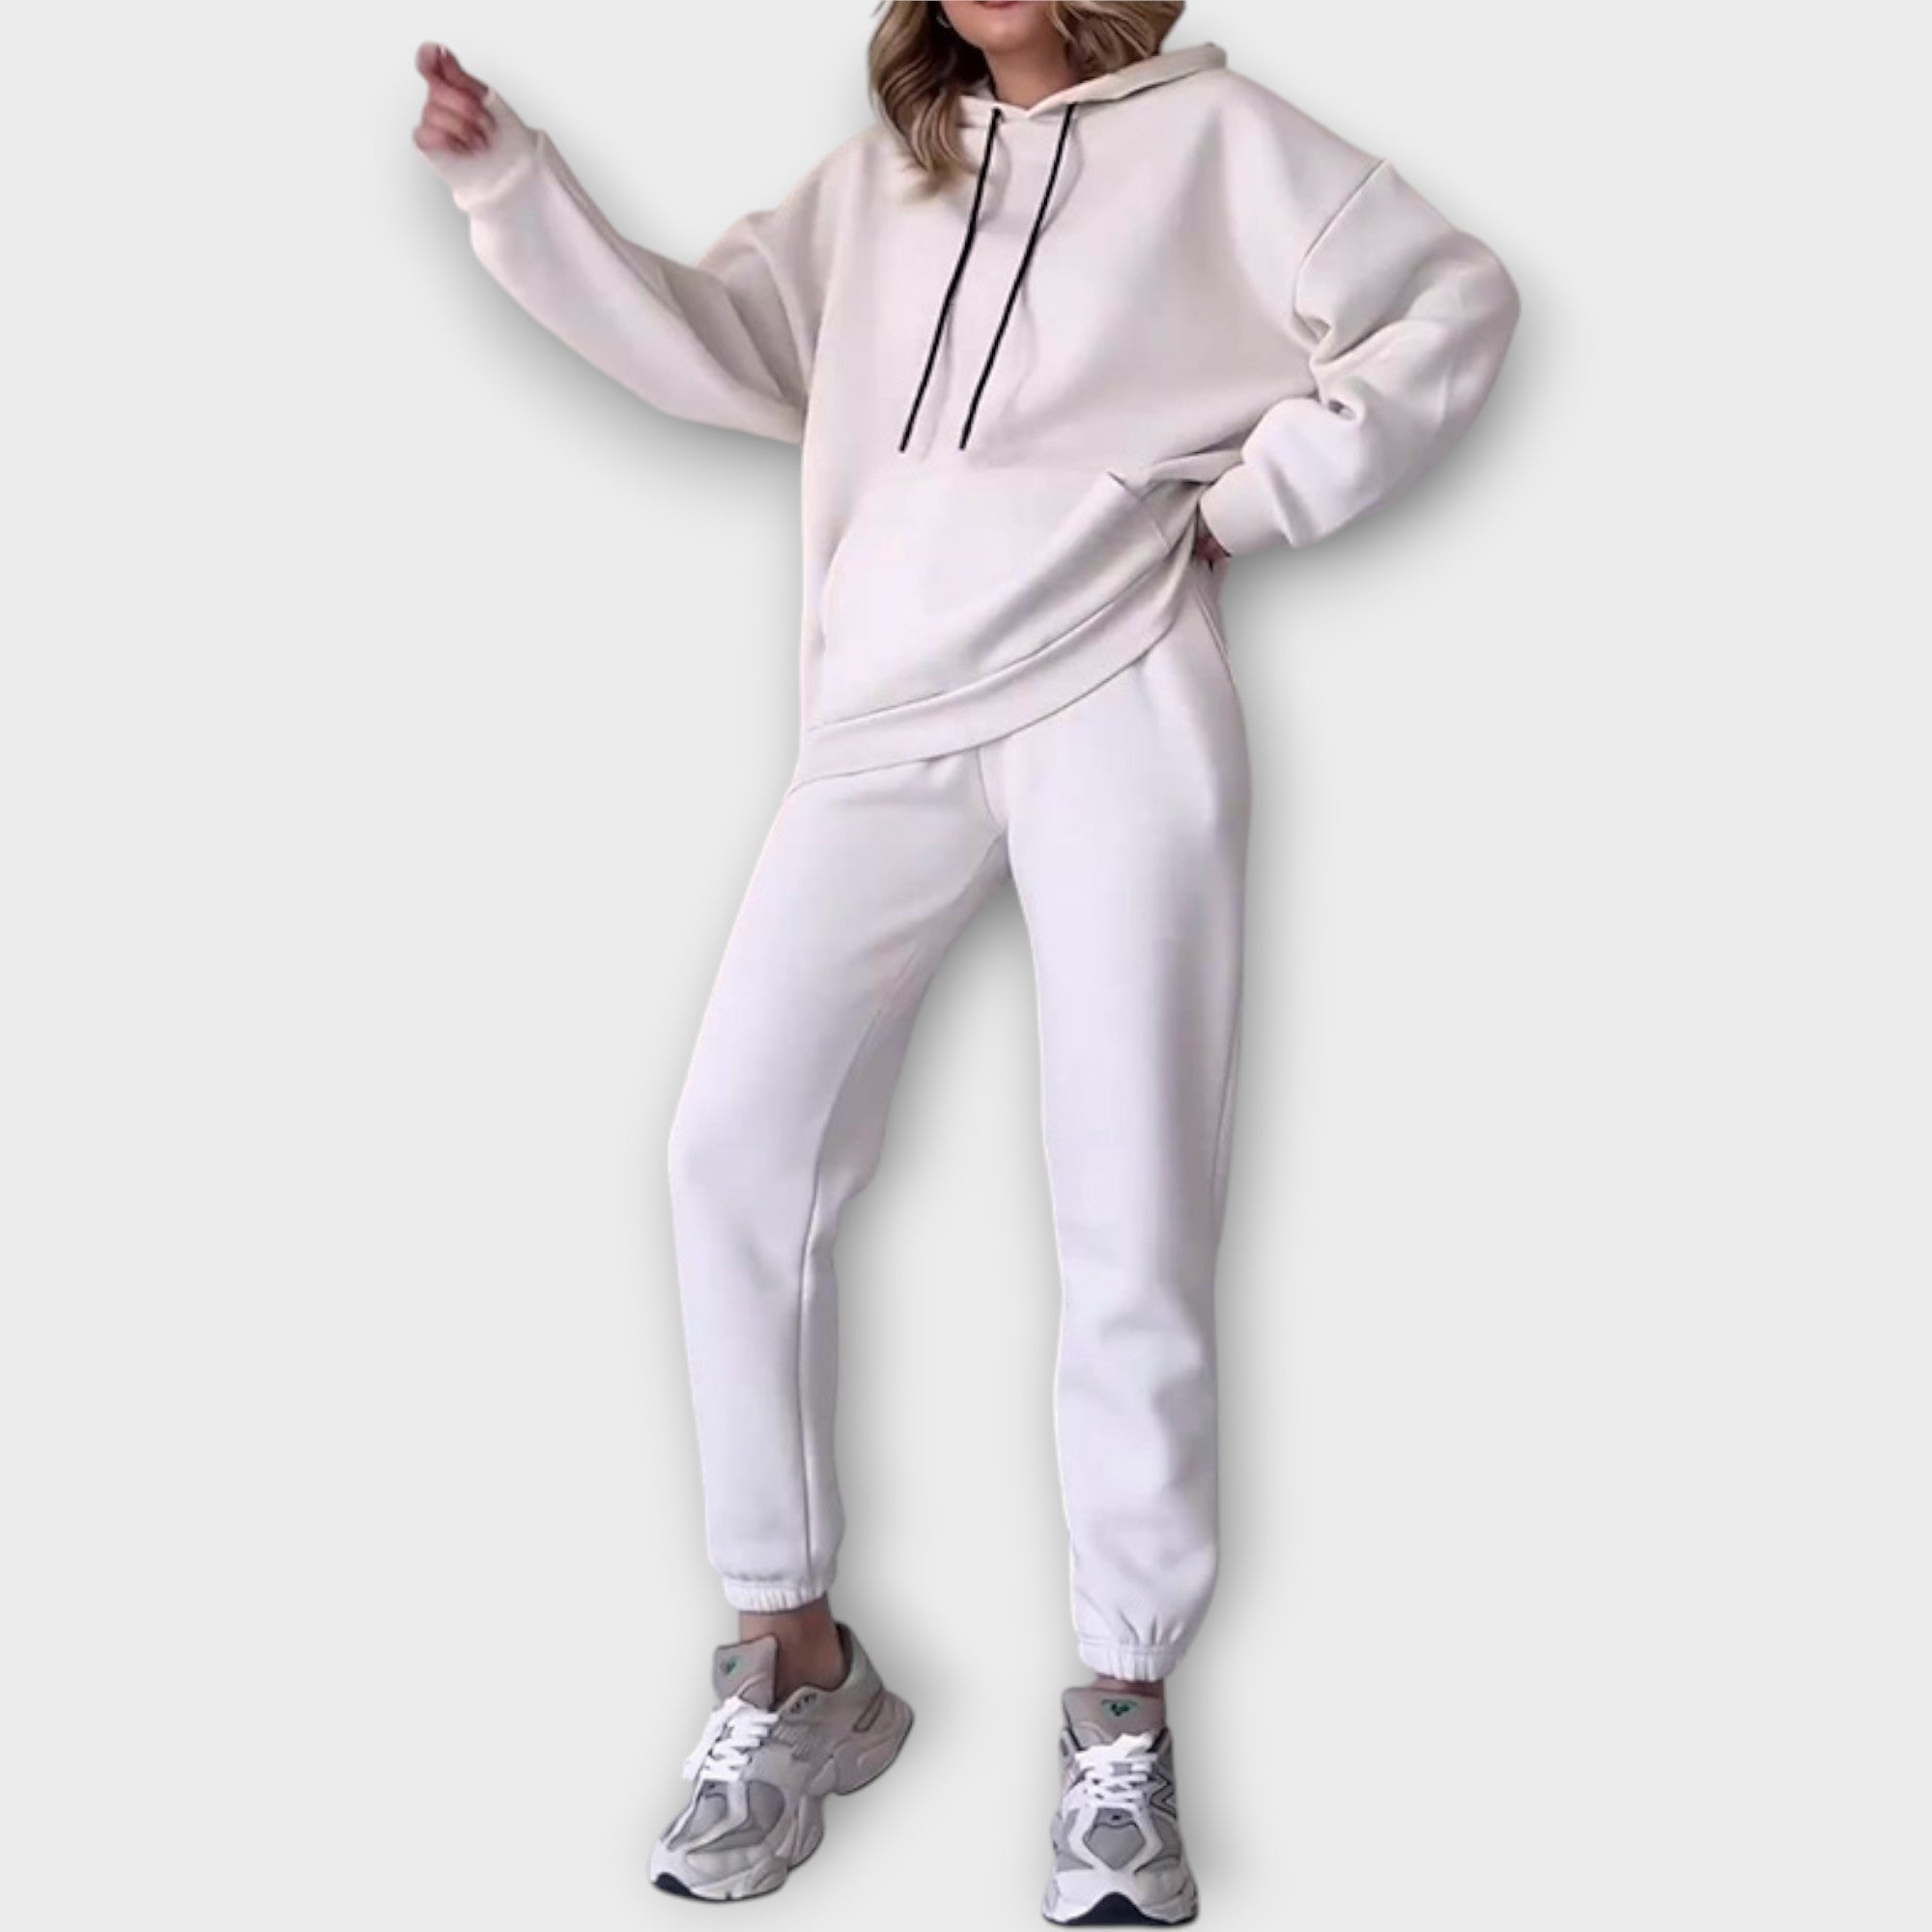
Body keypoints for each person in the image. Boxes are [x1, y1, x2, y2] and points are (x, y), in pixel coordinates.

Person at [413, 1, 1520, 1918]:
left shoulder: (1234, 145)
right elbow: (712, 340)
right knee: (735, 1150)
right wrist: (512, 182)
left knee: (1129, 1202)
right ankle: (794, 1659)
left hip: (1120, 682)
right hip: (884, 713)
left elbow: (1454, 303)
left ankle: (1120, 1717)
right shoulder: (879, 187)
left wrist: (1252, 502)